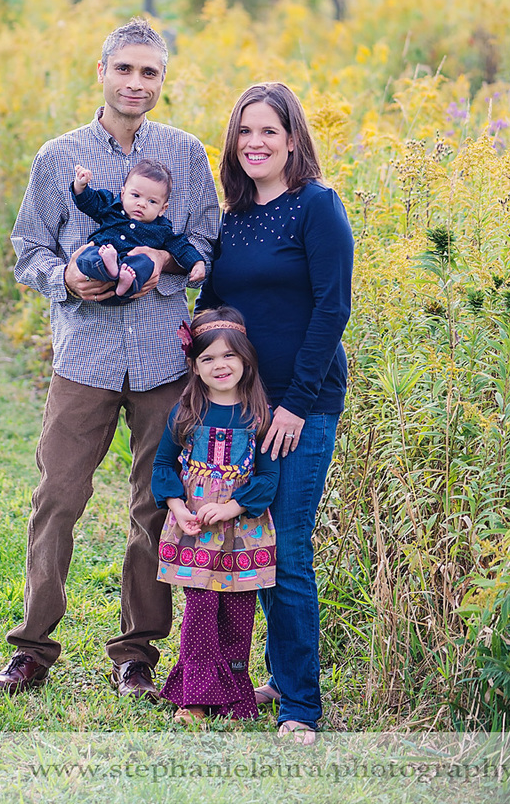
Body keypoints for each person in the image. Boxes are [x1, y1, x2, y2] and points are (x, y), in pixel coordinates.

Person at [0, 17, 220, 697]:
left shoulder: (185, 154)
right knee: (57, 498)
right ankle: (32, 648)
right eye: (126, 69)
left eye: (151, 72)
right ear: (102, 71)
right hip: (83, 356)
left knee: (154, 504)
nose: (137, 83)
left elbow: (206, 239)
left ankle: (136, 654)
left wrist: (158, 263)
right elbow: (29, 248)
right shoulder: (59, 157)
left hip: (161, 361)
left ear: (163, 80)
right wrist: (65, 278)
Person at [196, 82, 353, 742]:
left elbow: (332, 307)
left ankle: (301, 708)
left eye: (269, 131)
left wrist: (293, 405)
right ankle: (274, 679)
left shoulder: (317, 206)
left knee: (286, 551)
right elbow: (210, 311)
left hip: (300, 409)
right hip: (235, 411)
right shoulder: (230, 217)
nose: (255, 142)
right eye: (244, 131)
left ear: (294, 140)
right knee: (248, 547)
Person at [151, 307, 279, 725]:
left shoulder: (260, 415)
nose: (219, 365)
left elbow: (269, 477)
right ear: (194, 365)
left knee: (239, 616)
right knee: (201, 612)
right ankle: (194, 700)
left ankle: (233, 696)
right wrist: (177, 507)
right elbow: (163, 466)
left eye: (228, 356)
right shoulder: (187, 412)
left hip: (244, 534)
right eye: (207, 359)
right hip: (194, 533)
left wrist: (230, 506)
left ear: (246, 360)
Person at [71, 158, 206, 302]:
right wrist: (80, 185)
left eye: (152, 201)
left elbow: (181, 246)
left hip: (129, 279)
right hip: (99, 270)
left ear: (163, 209)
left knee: (146, 262)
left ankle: (125, 281)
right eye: (135, 196)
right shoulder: (111, 208)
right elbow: (89, 202)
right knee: (87, 255)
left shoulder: (161, 229)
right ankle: (109, 267)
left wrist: (197, 262)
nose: (141, 204)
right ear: (123, 194)